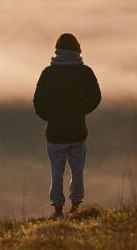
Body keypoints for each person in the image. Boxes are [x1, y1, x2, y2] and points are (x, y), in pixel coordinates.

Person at [33, 33, 101, 217]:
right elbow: (96, 97)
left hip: (55, 133)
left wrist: (50, 118)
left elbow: (38, 102)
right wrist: (81, 111)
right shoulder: (85, 72)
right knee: (77, 170)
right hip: (78, 131)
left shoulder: (48, 73)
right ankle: (76, 205)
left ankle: (57, 208)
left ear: (57, 50)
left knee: (57, 172)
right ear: (77, 49)